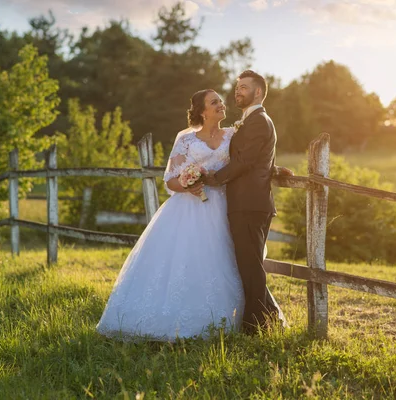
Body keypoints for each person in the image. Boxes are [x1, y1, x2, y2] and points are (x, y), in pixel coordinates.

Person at [96, 89, 245, 341]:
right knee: (185, 259)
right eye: (214, 102)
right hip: (188, 208)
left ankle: (228, 318)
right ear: (201, 111)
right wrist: (188, 184)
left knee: (224, 257)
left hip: (223, 205)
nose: (221, 104)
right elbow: (170, 180)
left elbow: (248, 161)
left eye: (220, 100)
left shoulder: (233, 135)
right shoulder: (186, 140)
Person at [203, 70, 293, 334]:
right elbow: (258, 158)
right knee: (249, 264)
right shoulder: (250, 121)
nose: (237, 91)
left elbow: (245, 161)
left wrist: (214, 178)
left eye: (243, 87)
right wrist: (275, 170)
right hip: (247, 202)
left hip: (250, 204)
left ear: (258, 92)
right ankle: (271, 321)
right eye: (237, 87)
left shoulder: (258, 121)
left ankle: (254, 328)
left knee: (250, 267)